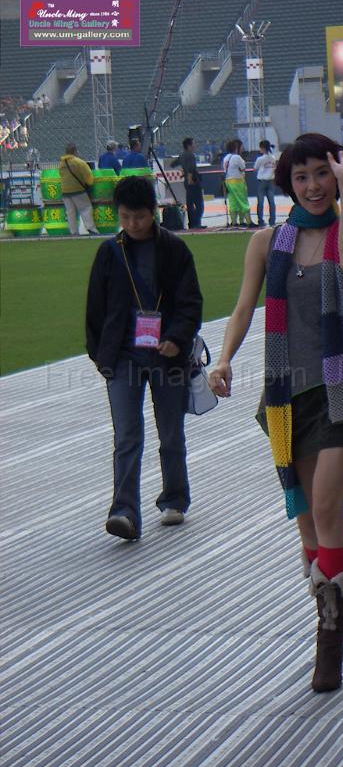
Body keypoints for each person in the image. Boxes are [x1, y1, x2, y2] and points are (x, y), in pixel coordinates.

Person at [209, 133, 343, 693]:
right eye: (301, 177)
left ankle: (328, 640)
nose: (312, 186)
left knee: (326, 507)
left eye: (322, 173)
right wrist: (224, 359)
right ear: (288, 183)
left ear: (337, 174)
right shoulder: (266, 242)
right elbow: (243, 308)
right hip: (285, 394)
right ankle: (339, 600)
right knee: (308, 519)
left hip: (339, 388)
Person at [85, 176, 203, 541]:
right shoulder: (109, 252)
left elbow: (190, 303)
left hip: (167, 357)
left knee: (170, 432)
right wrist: (101, 356)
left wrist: (177, 339)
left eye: (139, 216)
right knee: (127, 435)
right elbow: (95, 309)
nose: (132, 224)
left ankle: (174, 499)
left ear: (154, 211)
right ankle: (124, 512)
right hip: (123, 357)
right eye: (125, 217)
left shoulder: (175, 249)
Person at [59, 142, 99, 236]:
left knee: (70, 212)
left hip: (65, 191)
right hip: (78, 190)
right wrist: (90, 184)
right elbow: (88, 175)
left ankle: (73, 232)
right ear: (75, 151)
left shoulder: (62, 163)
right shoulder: (79, 162)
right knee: (85, 208)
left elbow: (61, 175)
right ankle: (91, 228)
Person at [171, 136, 206, 229]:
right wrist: (190, 178)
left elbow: (173, 164)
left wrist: (184, 171)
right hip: (193, 181)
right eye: (193, 144)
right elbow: (191, 168)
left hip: (186, 181)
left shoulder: (182, 155)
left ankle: (192, 223)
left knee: (190, 203)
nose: (195, 146)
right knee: (199, 205)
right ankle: (197, 223)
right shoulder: (191, 155)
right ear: (189, 145)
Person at [223, 139, 252, 227]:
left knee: (233, 202)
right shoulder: (237, 157)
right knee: (243, 201)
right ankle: (248, 221)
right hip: (238, 181)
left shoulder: (226, 158)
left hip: (228, 181)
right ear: (236, 148)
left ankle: (234, 222)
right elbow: (243, 168)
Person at [254, 139, 277, 227]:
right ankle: (272, 221)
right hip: (271, 180)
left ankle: (261, 221)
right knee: (271, 201)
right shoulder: (273, 158)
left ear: (263, 148)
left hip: (262, 181)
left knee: (260, 202)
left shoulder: (260, 159)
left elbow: (255, 168)